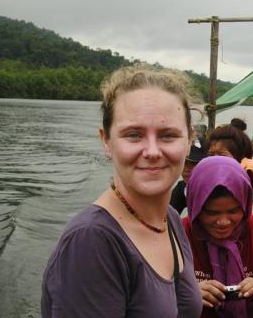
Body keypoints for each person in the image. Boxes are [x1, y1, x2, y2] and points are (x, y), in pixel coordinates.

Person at [41, 65, 202, 318]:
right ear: (106, 141)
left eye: (168, 135)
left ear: (190, 140)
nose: (152, 151)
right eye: (134, 135)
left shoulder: (169, 218)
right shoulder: (92, 241)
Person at [182, 156, 253, 318]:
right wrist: (188, 297)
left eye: (233, 211)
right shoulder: (179, 234)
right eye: (211, 213)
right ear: (195, 207)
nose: (223, 222)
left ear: (245, 204)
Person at [170, 144, 207, 214]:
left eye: (193, 163)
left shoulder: (217, 190)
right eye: (184, 162)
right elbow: (166, 218)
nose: (186, 169)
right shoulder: (181, 188)